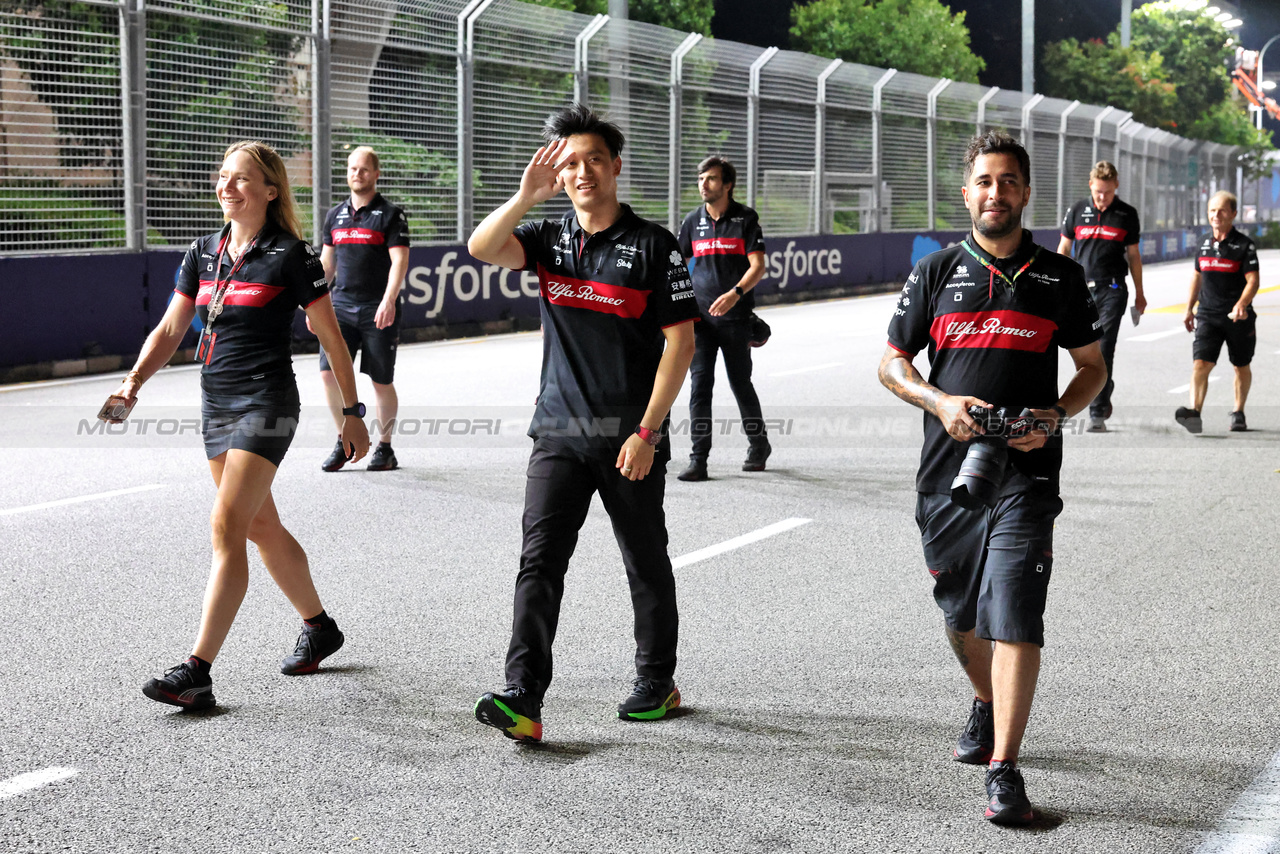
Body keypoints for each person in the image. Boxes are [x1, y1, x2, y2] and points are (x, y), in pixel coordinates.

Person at [877, 131, 1106, 825]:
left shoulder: (1058, 276)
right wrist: (939, 402)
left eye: (1008, 181)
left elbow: (1093, 369)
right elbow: (891, 364)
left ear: (1026, 191)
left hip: (1027, 472)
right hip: (949, 476)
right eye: (984, 181)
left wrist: (1057, 416)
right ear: (967, 191)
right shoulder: (938, 270)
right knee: (960, 617)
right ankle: (985, 698)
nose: (996, 192)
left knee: (1015, 612)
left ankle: (1005, 768)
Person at [465, 104, 698, 743]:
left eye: (594, 158)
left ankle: (657, 681)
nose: (582, 170)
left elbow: (681, 344)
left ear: (616, 166)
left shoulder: (654, 245)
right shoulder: (546, 239)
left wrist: (648, 432)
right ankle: (523, 697)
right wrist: (522, 196)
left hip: (630, 436)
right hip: (558, 432)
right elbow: (481, 246)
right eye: (570, 162)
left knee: (644, 560)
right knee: (538, 563)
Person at [110, 141, 370, 710]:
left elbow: (331, 338)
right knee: (259, 527)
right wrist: (132, 383)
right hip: (216, 404)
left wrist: (352, 414)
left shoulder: (290, 255)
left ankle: (197, 670)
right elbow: (171, 328)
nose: (228, 186)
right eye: (223, 176)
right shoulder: (203, 252)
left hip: (267, 401)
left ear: (270, 190)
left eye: (243, 179)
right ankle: (320, 626)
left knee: (227, 526)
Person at [315, 146, 410, 471]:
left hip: (376, 308)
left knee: (380, 381)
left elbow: (399, 260)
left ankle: (384, 448)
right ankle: (345, 439)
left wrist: (388, 300)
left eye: (364, 169)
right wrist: (316, 304)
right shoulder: (335, 215)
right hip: (339, 307)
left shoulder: (391, 214)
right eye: (353, 168)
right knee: (329, 375)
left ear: (376, 174)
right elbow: (327, 264)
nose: (358, 174)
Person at [675, 155, 770, 480]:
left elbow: (757, 267)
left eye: (712, 178)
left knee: (740, 384)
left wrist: (735, 294)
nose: (704, 183)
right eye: (702, 178)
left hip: (736, 319)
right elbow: (679, 265)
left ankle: (759, 446)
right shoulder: (691, 222)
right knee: (700, 387)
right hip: (699, 321)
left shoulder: (745, 218)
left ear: (727, 185)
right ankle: (698, 459)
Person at [1056, 161, 1145, 433]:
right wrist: (1054, 284)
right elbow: (1064, 248)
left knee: (1103, 347)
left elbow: (1133, 256)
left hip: (1113, 289)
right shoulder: (1077, 210)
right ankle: (1104, 386)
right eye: (1098, 192)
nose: (1102, 197)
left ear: (1116, 186)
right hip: (1082, 289)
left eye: (1107, 192)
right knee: (1083, 348)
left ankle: (1096, 412)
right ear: (1090, 186)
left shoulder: (1126, 214)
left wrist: (1140, 294)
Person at [1176, 191, 1260, 434]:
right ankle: (1195, 413)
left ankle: (1239, 412)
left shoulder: (1244, 245)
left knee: (1240, 365)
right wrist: (1189, 308)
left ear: (1233, 214)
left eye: (1222, 210)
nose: (1216, 215)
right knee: (1201, 364)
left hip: (1237, 317)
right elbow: (1197, 277)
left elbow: (1253, 281)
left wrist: (1242, 303)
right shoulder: (1203, 243)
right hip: (1208, 315)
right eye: (1212, 210)